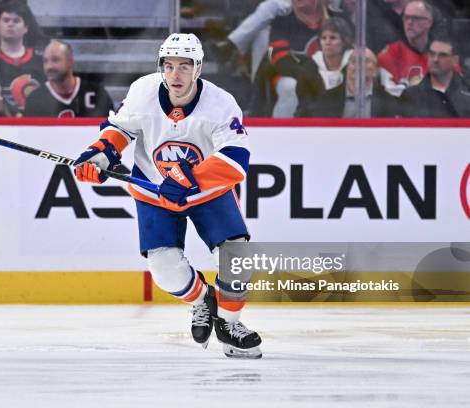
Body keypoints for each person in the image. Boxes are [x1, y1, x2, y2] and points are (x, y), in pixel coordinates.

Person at [73, 33, 262, 359]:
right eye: (169, 66)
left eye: (184, 66)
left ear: (198, 68)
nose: (175, 75)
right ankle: (203, 300)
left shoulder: (221, 104)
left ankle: (229, 325)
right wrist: (99, 157)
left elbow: (235, 160)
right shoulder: (143, 92)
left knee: (237, 259)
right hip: (154, 191)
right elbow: (120, 129)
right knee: (164, 269)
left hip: (209, 194)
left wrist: (189, 178)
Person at [0, 0, 45, 116]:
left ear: (26, 27)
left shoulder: (41, 63)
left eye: (16, 21)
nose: (10, 24)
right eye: (6, 20)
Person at [296, 48, 399, 117]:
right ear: (347, 68)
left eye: (366, 61)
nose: (358, 65)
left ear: (375, 71)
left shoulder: (388, 101)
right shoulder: (326, 98)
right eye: (353, 61)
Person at [24, 40, 113, 118]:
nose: (49, 66)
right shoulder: (35, 99)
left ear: (70, 61)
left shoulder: (97, 93)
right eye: (45, 61)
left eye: (55, 60)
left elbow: (112, 130)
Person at [377, 0, 447, 95]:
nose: (409, 22)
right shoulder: (391, 52)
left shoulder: (443, 54)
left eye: (415, 18)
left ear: (429, 22)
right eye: (406, 17)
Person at [295, 17, 354, 115]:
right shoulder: (309, 67)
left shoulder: (355, 64)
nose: (327, 42)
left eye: (333, 38)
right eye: (323, 38)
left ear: (344, 41)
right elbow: (304, 104)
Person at [400, 37, 470, 117]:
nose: (435, 59)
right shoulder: (411, 95)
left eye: (443, 55)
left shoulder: (467, 91)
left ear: (455, 60)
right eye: (432, 54)